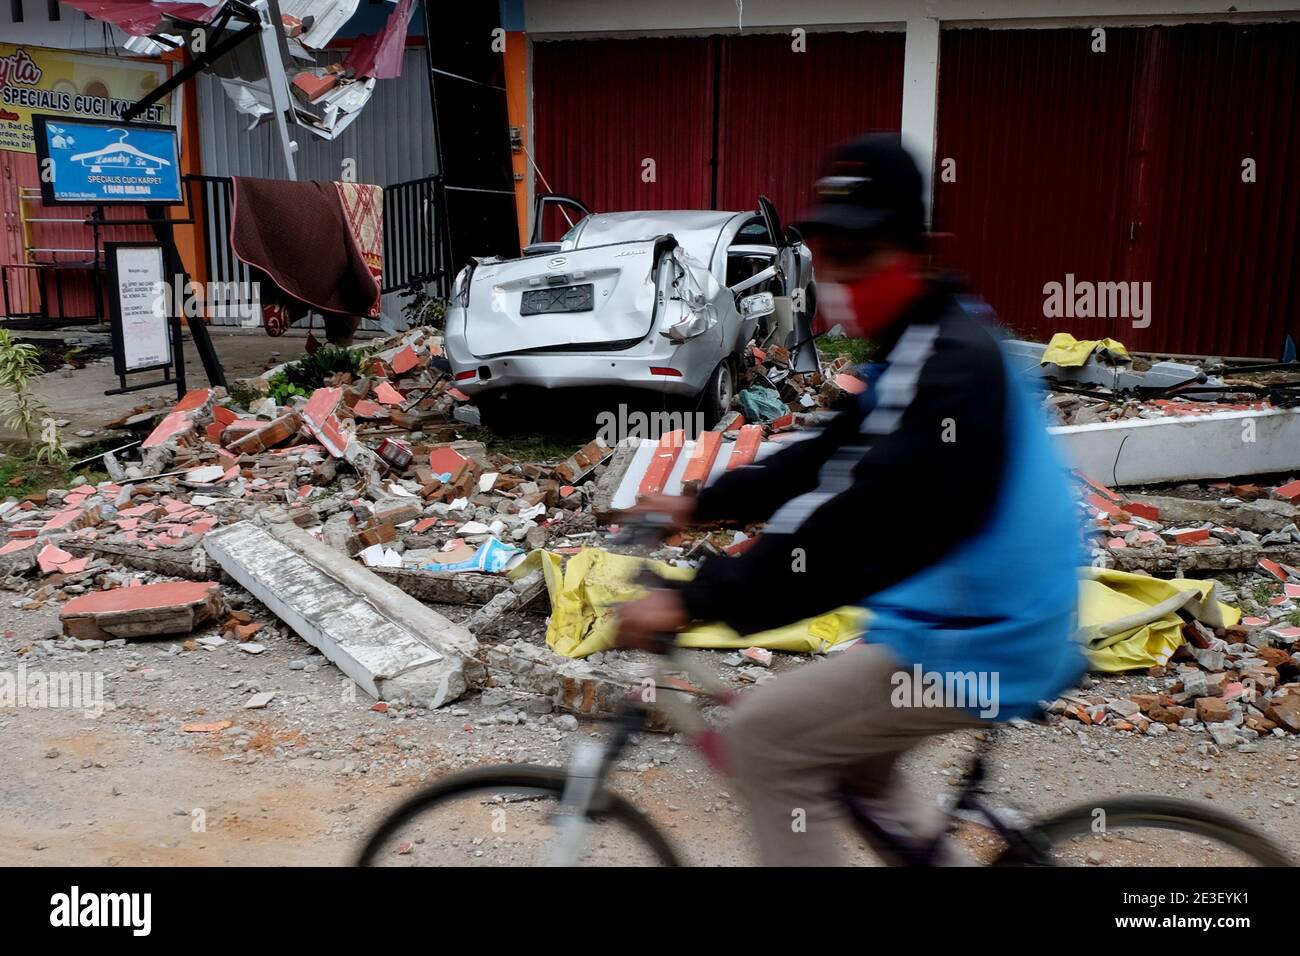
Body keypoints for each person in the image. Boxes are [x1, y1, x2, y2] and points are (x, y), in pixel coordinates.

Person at [614, 134, 1085, 866]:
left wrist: (698, 600)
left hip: (985, 634)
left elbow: (856, 522)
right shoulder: (917, 340)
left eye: (859, 255)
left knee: (765, 739)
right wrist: (701, 504)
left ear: (916, 249)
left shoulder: (951, 367)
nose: (838, 276)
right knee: (859, 771)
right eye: (829, 253)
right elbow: (823, 452)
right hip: (959, 613)